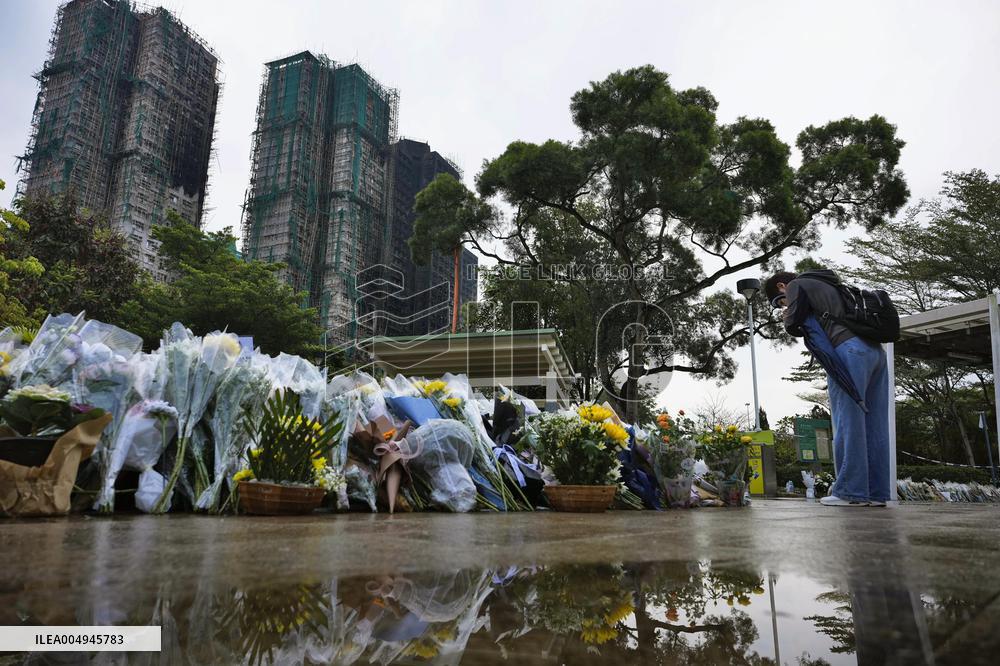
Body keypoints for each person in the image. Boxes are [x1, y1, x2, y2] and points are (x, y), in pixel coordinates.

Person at [765, 269, 889, 507]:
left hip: (847, 350)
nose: (784, 304)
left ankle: (850, 492)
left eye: (780, 301)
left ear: (782, 286)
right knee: (875, 425)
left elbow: (794, 323)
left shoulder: (797, 285)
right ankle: (876, 493)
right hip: (874, 352)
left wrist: (787, 314)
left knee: (847, 421)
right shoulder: (831, 284)